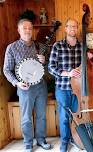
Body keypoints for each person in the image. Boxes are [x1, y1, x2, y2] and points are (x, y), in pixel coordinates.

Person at [3, 19, 51, 152]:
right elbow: (6, 70)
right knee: (26, 117)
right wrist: (16, 83)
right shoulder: (12, 48)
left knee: (41, 115)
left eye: (30, 28)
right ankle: (28, 143)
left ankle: (41, 140)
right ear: (19, 30)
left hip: (41, 86)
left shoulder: (39, 46)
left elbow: (48, 67)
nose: (28, 30)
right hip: (24, 88)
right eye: (24, 28)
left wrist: (44, 61)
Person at [48, 18, 86, 152]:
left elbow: (87, 68)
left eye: (75, 27)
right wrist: (67, 73)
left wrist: (88, 62)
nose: (72, 29)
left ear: (77, 29)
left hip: (78, 89)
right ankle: (64, 141)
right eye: (70, 26)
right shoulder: (57, 46)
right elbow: (51, 68)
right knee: (64, 116)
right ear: (65, 29)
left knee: (76, 116)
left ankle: (74, 139)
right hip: (63, 88)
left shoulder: (82, 46)